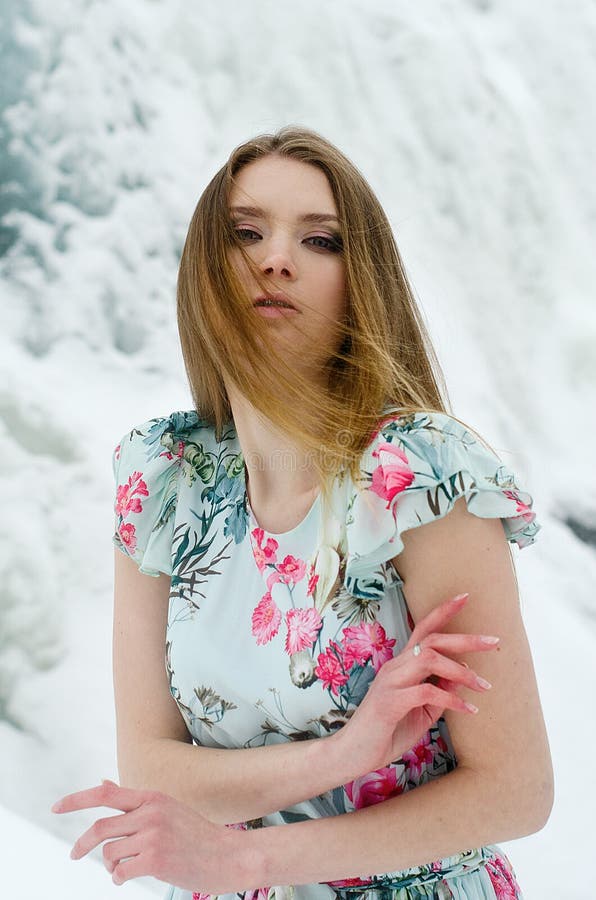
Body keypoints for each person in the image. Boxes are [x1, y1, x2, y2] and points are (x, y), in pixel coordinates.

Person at [52, 126, 553, 899]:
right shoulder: (164, 484)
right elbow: (152, 768)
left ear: (362, 283)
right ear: (203, 270)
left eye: (320, 240)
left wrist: (244, 858)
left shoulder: (417, 474)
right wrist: (341, 756)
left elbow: (515, 790)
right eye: (246, 232)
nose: (276, 258)